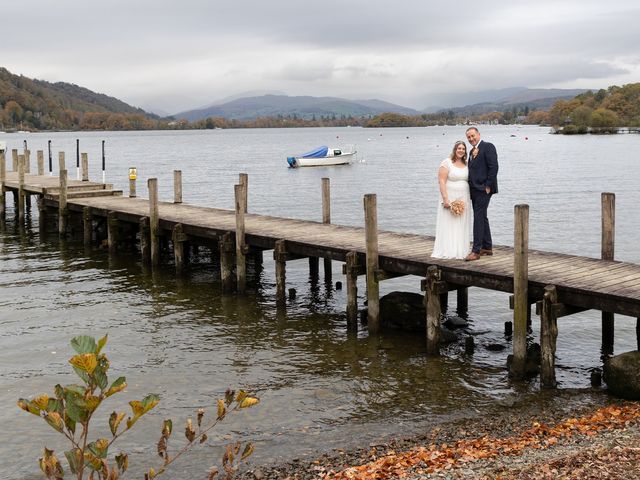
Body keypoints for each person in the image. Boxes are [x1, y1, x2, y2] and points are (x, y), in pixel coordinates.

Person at [431, 140, 471, 259]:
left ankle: (461, 250)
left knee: (461, 223)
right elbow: (442, 181)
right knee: (449, 222)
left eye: (463, 149)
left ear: (465, 151)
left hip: (464, 197)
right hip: (450, 197)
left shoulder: (467, 164)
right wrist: (445, 199)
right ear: (455, 150)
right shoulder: (447, 162)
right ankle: (448, 250)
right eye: (459, 148)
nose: (461, 150)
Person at [464, 126, 498, 261]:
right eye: (469, 137)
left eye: (473, 136)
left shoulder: (488, 146)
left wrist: (488, 185)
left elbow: (494, 166)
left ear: (478, 134)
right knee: (482, 216)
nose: (471, 139)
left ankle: (476, 251)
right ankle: (487, 247)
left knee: (478, 218)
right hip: (474, 189)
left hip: (484, 189)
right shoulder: (472, 151)